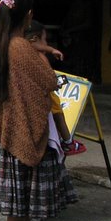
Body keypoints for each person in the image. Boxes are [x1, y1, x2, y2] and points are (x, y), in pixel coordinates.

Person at [0, 0, 77, 221]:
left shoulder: (4, 43)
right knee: (21, 195)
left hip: (9, 127)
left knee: (20, 193)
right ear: (28, 16)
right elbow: (48, 80)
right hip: (22, 129)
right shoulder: (21, 48)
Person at [25, 20, 86, 157]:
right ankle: (68, 142)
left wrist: (51, 49)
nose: (46, 44)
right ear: (35, 39)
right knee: (58, 113)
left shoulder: (18, 50)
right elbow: (49, 79)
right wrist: (54, 83)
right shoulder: (40, 57)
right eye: (45, 40)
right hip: (45, 96)